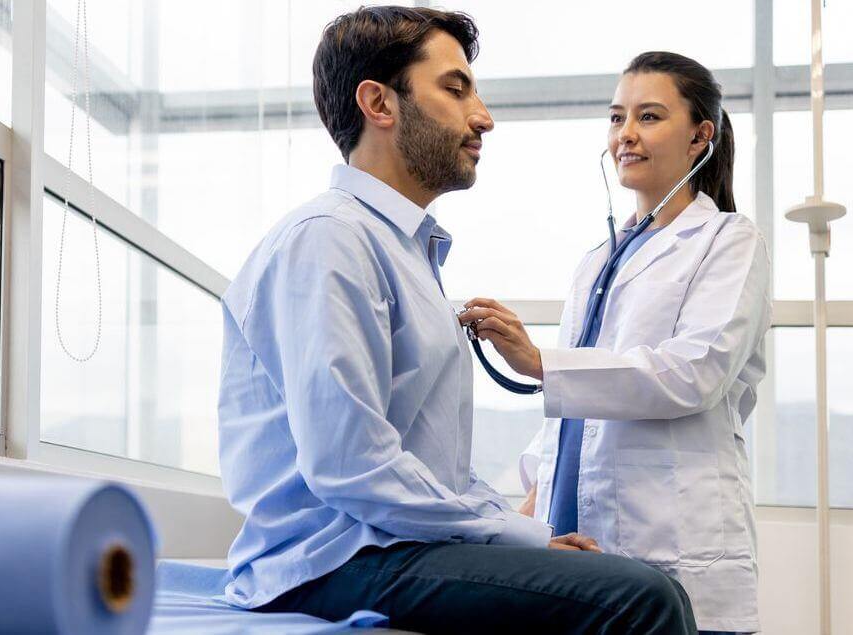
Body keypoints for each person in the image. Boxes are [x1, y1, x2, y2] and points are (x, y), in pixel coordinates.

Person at [217, 8, 697, 633]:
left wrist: (523, 535)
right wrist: (508, 532)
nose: (484, 117)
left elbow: (434, 471)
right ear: (379, 104)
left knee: (652, 587)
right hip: (330, 561)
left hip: (385, 544)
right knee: (641, 598)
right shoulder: (330, 240)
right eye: (455, 88)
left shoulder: (405, 253)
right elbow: (349, 466)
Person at [457, 52, 771, 634]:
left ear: (701, 135)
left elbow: (694, 373)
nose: (626, 134)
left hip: (676, 540)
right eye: (616, 117)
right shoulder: (596, 260)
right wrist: (520, 515)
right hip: (575, 534)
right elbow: (571, 419)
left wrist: (536, 361)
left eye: (649, 117)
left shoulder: (729, 240)